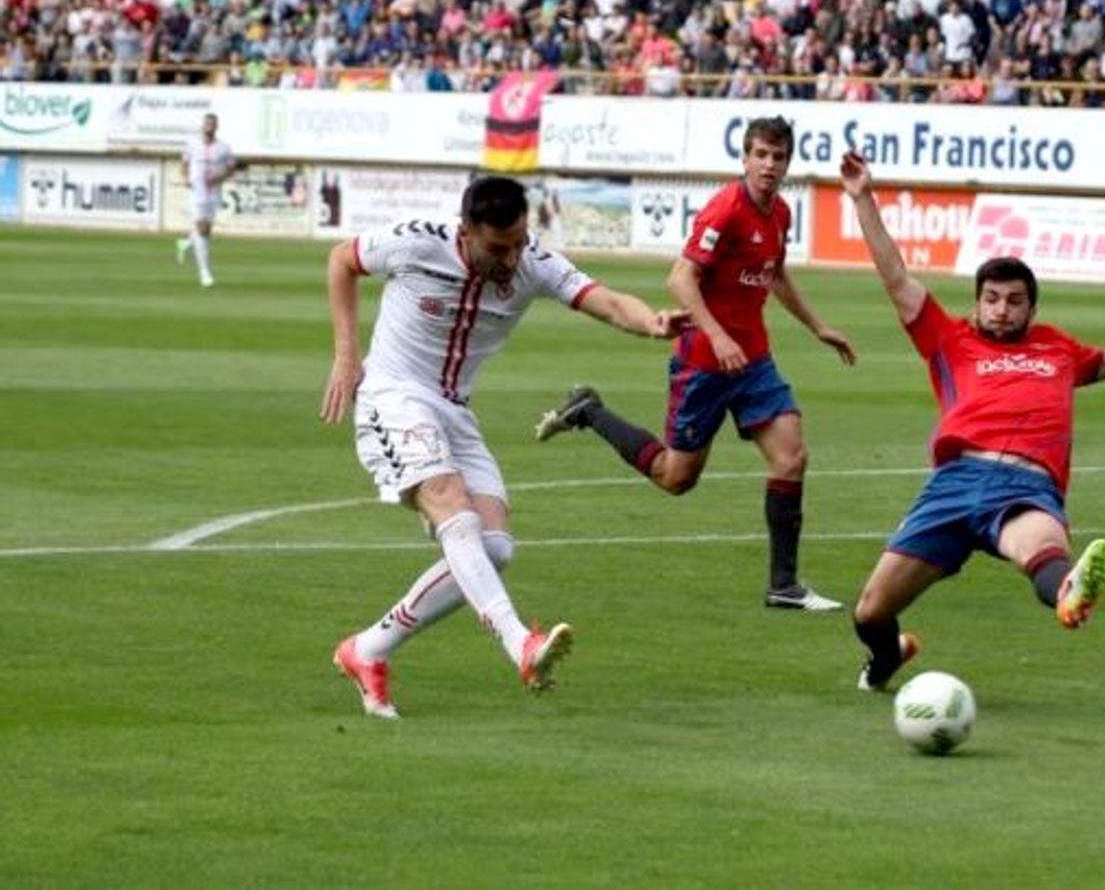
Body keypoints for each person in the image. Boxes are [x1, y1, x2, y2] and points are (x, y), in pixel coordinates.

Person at [836, 151, 1105, 692]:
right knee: (869, 612)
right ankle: (888, 655)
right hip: (955, 482)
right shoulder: (948, 338)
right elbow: (895, 277)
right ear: (977, 303)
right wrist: (863, 197)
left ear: (1031, 308)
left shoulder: (1058, 347)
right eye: (991, 299)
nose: (1001, 309)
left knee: (1044, 556)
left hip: (1026, 484)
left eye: (1014, 301)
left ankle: (1069, 593)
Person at [320, 176, 690, 719]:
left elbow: (604, 300)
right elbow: (341, 260)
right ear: (465, 232)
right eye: (499, 247)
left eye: (519, 241)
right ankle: (521, 644)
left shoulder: (532, 262)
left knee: (493, 550)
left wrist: (651, 322)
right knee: (453, 509)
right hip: (392, 395)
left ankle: (368, 649)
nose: (512, 257)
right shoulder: (418, 241)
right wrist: (347, 354)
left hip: (455, 410)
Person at [535, 117, 857, 613]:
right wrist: (717, 334)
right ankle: (589, 411)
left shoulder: (780, 214)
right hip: (704, 363)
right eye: (762, 155)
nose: (770, 165)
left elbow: (775, 276)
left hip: (753, 361)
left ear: (788, 162)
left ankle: (784, 585)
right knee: (676, 477)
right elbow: (680, 279)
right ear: (746, 159)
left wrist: (818, 326)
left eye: (778, 157)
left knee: (792, 456)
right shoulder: (726, 208)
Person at [176, 113, 239, 289]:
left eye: (212, 124)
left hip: (214, 192)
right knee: (203, 229)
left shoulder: (224, 148)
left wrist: (221, 176)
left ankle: (186, 243)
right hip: (197, 192)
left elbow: (231, 167)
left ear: (216, 127)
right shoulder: (192, 144)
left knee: (206, 230)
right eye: (207, 123)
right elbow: (184, 163)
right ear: (202, 126)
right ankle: (204, 272)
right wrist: (185, 177)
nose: (209, 126)